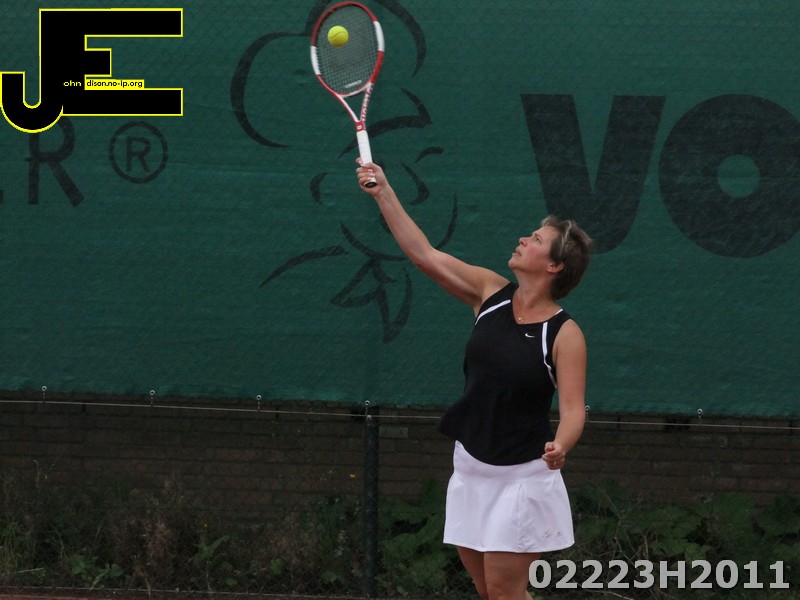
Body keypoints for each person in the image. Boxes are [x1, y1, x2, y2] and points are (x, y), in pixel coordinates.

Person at [356, 159, 593, 600]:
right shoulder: (490, 292)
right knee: (489, 592)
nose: (523, 239)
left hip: (523, 476)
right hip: (470, 467)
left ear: (554, 266)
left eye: (536, 240)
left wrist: (561, 445)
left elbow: (573, 410)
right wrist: (383, 192)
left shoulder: (565, 334)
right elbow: (424, 254)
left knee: (504, 592)